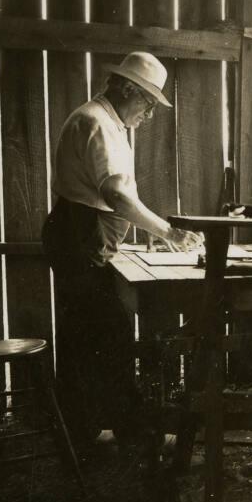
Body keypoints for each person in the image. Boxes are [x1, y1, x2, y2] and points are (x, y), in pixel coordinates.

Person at [42, 51, 199, 451]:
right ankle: (132, 432)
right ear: (128, 89)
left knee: (86, 336)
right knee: (108, 333)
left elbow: (109, 195)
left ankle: (83, 431)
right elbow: (114, 194)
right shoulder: (96, 121)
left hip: (81, 235)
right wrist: (166, 232)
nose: (148, 115)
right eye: (147, 103)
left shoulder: (101, 120)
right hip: (80, 238)